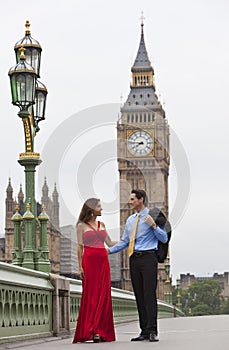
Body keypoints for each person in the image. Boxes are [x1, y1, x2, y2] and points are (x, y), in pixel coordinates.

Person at [108, 189, 168, 342]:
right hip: (134, 259)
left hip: (149, 258)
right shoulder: (130, 220)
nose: (130, 202)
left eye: (133, 199)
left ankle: (153, 330)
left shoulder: (151, 216)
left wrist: (154, 226)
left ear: (141, 200)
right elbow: (124, 242)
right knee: (139, 296)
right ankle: (144, 331)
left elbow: (164, 237)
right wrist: (108, 251)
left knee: (149, 295)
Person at [72, 198, 116, 343]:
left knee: (103, 295)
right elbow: (80, 247)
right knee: (91, 296)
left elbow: (110, 243)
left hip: (103, 263)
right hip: (89, 263)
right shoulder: (81, 226)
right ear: (91, 209)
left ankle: (100, 330)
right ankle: (92, 330)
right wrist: (79, 267)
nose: (101, 208)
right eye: (99, 206)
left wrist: (128, 240)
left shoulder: (102, 224)